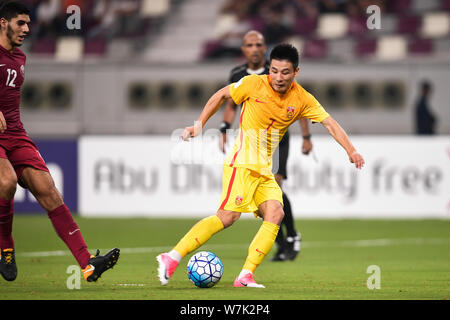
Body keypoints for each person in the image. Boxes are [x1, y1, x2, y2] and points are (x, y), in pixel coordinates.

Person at [157, 43, 364, 288]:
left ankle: (245, 275)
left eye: (285, 72)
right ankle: (172, 256)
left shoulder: (302, 98)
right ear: (269, 69)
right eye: (274, 70)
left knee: (276, 213)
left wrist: (350, 149)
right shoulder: (253, 84)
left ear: (296, 72)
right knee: (228, 216)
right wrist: (199, 125)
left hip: (264, 168)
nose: (278, 77)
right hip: (242, 163)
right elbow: (221, 95)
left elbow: (330, 123)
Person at [0, 1, 119, 282]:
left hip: (16, 134)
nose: (27, 29)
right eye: (20, 23)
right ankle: (5, 247)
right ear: (3, 23)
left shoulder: (20, 59)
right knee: (6, 182)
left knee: (49, 190)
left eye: (28, 24)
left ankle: (87, 264)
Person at [219, 30, 312, 262]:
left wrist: (306, 136)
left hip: (278, 140)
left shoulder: (277, 71)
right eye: (249, 45)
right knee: (262, 196)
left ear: (264, 48)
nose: (254, 48)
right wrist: (223, 128)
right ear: (244, 49)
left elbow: (300, 104)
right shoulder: (238, 74)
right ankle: (281, 242)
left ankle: (291, 236)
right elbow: (231, 103)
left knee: (276, 185)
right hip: (252, 143)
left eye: (258, 44)